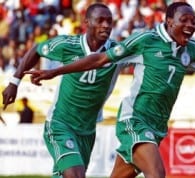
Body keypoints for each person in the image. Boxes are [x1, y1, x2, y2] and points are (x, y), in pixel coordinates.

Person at [24, 2, 195, 178]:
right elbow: (100, 58)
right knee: (157, 174)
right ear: (169, 22)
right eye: (185, 20)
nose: (190, 25)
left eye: (193, 21)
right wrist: (54, 71)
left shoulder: (192, 50)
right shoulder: (145, 40)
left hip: (157, 126)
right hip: (134, 120)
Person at [1, 3, 132, 178]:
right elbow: (37, 50)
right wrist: (14, 82)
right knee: (76, 175)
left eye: (109, 21)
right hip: (60, 124)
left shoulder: (118, 52)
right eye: (100, 20)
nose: (106, 25)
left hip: (87, 130)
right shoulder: (68, 45)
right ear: (86, 22)